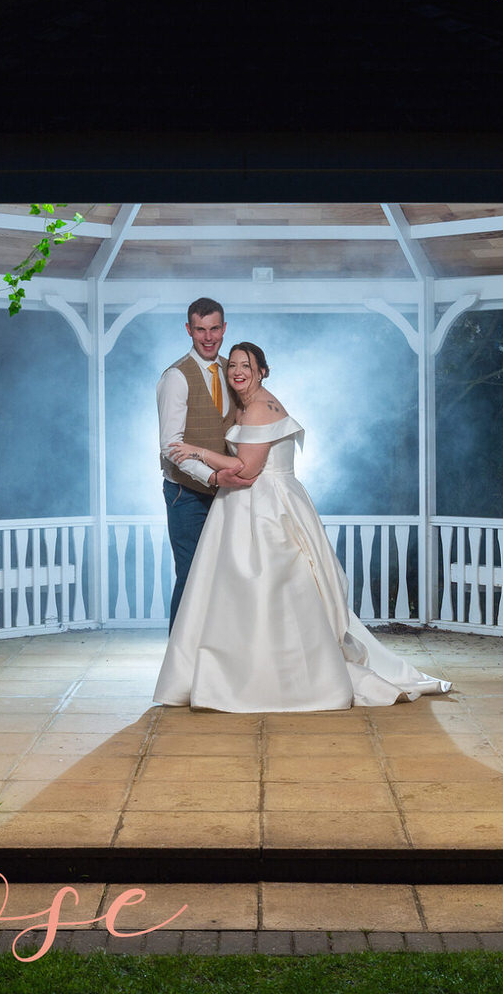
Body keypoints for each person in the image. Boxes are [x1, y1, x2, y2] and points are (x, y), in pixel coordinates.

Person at [153, 342, 452, 712]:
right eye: (233, 366)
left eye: (247, 365)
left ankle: (271, 676)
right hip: (250, 503)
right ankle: (238, 669)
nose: (237, 372)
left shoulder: (262, 407)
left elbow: (247, 470)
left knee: (269, 587)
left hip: (265, 506)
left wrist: (195, 451)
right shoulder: (246, 406)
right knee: (239, 593)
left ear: (263, 370)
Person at [157, 297, 249, 628]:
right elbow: (171, 446)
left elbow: (241, 430)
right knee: (193, 574)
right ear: (188, 330)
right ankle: (179, 664)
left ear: (224, 329)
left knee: (228, 575)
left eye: (214, 329)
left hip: (228, 493)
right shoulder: (176, 377)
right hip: (186, 495)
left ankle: (215, 661)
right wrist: (213, 477)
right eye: (200, 330)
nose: (208, 338)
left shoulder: (234, 373)